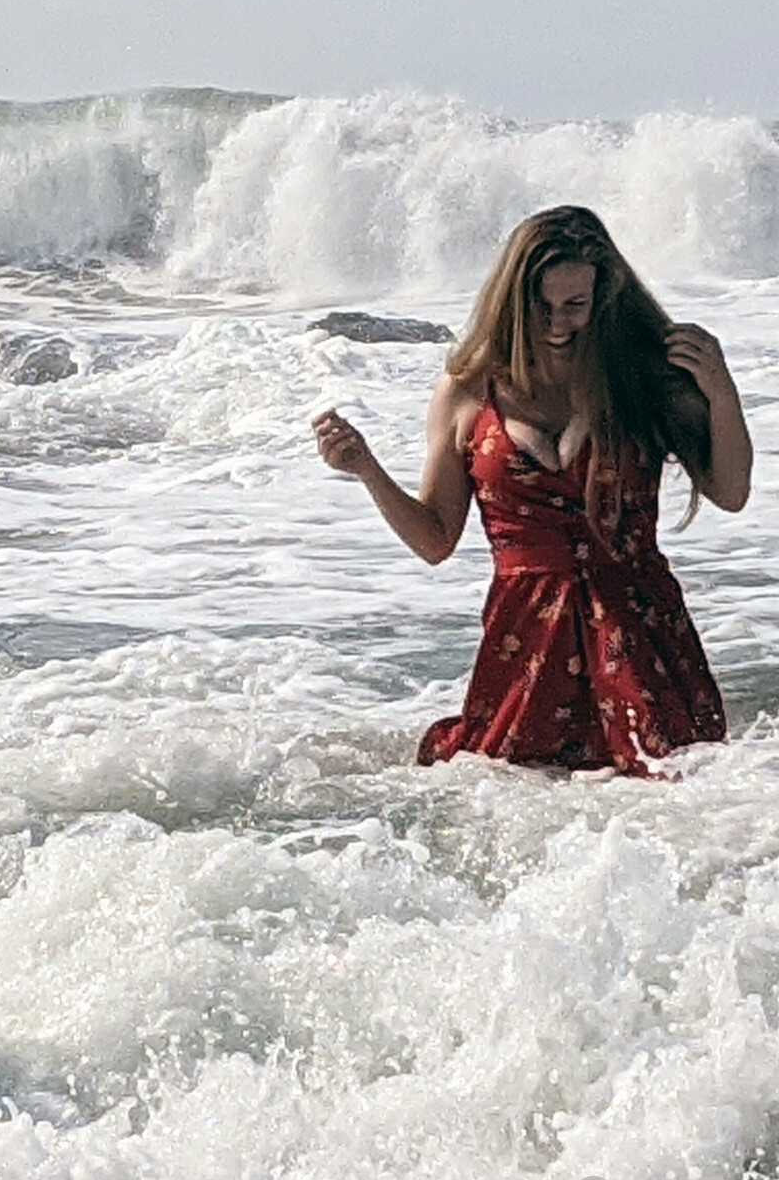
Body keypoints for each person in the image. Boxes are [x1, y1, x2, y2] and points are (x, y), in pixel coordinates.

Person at [311, 206, 752, 776]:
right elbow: (436, 540)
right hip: (524, 642)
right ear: (512, 298)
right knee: (513, 791)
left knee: (666, 786)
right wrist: (367, 469)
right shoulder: (468, 389)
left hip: (640, 634)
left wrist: (721, 393)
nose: (557, 323)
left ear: (603, 296)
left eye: (575, 305)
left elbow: (730, 491)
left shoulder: (642, 375)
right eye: (541, 306)